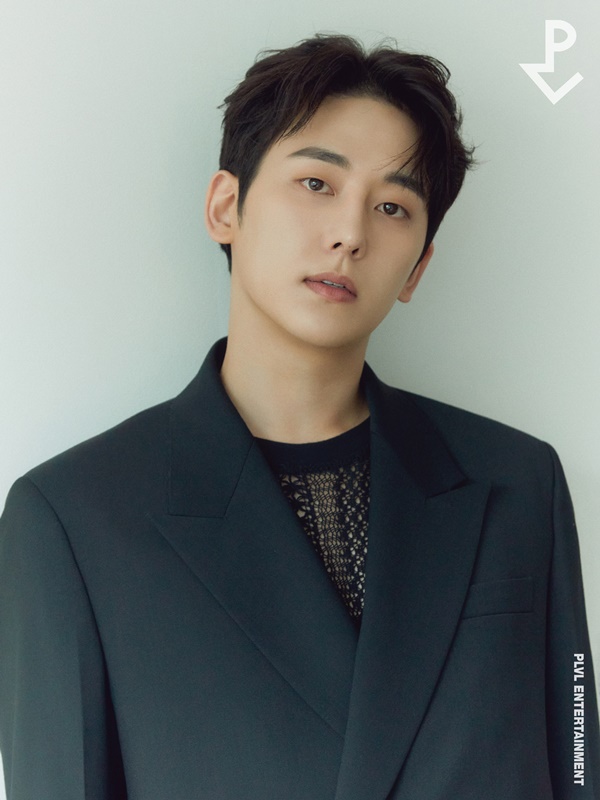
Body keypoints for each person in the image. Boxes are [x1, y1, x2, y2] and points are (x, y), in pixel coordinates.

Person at [0, 33, 598, 800]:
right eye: (317, 182)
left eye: (392, 206)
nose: (350, 232)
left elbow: (576, 768)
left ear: (417, 267)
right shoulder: (74, 518)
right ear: (226, 207)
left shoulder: (517, 484)